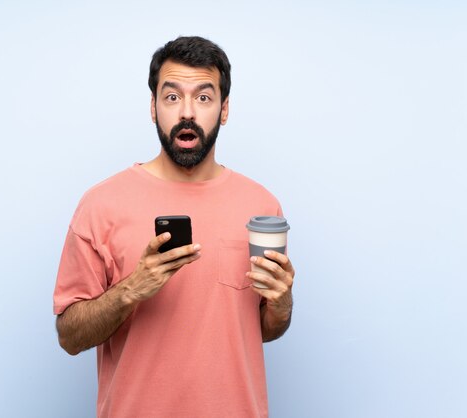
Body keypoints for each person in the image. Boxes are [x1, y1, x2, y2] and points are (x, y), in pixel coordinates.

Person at [53, 36, 295, 418]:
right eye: (171, 97)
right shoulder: (100, 205)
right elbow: (69, 335)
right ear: (152, 107)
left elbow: (258, 330)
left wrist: (281, 305)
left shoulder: (261, 207)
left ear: (225, 108)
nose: (187, 113)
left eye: (203, 97)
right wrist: (132, 289)